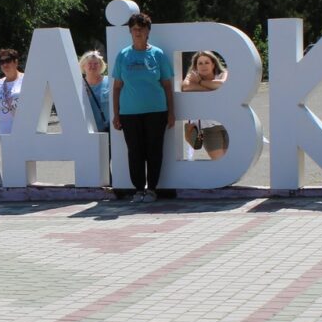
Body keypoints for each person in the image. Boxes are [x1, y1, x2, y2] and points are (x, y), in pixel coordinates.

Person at [111, 12, 175, 201]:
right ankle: (139, 189)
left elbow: (167, 86)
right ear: (130, 31)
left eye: (141, 28)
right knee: (135, 151)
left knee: (154, 150)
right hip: (129, 113)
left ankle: (152, 189)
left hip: (156, 111)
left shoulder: (157, 54)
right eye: (134, 29)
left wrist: (171, 113)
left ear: (148, 31)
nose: (137, 32)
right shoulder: (123, 55)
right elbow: (116, 87)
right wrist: (116, 114)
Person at [181, 51, 229, 160]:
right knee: (220, 161)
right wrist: (212, 88)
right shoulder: (192, 75)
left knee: (231, 161)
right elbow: (186, 87)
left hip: (229, 125)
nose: (203, 66)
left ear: (213, 64)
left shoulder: (222, 74)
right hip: (209, 128)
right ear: (195, 66)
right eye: (200, 63)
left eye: (207, 62)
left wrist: (199, 82)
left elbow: (222, 85)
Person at [80, 50, 111, 132]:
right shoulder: (78, 85)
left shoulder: (110, 82)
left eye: (96, 64)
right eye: (89, 64)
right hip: (86, 131)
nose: (93, 66)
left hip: (108, 130)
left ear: (101, 66)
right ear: (83, 66)